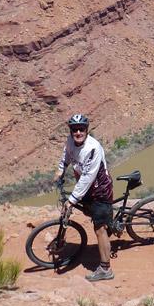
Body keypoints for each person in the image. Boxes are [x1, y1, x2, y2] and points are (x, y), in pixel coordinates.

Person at [58, 113, 115, 281]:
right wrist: (60, 170)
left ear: (86, 130)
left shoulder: (93, 148)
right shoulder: (70, 141)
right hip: (87, 190)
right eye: (74, 129)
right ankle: (107, 221)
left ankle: (105, 270)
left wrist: (72, 199)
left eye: (81, 129)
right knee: (86, 209)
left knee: (99, 229)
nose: (77, 132)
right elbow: (66, 156)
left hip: (100, 191)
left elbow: (87, 178)